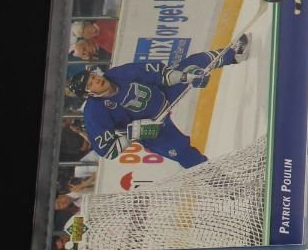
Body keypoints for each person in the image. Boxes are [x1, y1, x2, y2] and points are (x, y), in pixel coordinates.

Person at [77, 35, 253, 168]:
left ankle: (233, 54)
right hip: (153, 128)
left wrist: (186, 77)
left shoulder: (118, 74)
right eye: (91, 84)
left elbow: (158, 74)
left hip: (163, 96)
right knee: (184, 154)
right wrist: (132, 134)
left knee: (192, 64)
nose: (96, 80)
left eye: (93, 77)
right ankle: (222, 183)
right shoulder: (94, 112)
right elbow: (108, 151)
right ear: (88, 93)